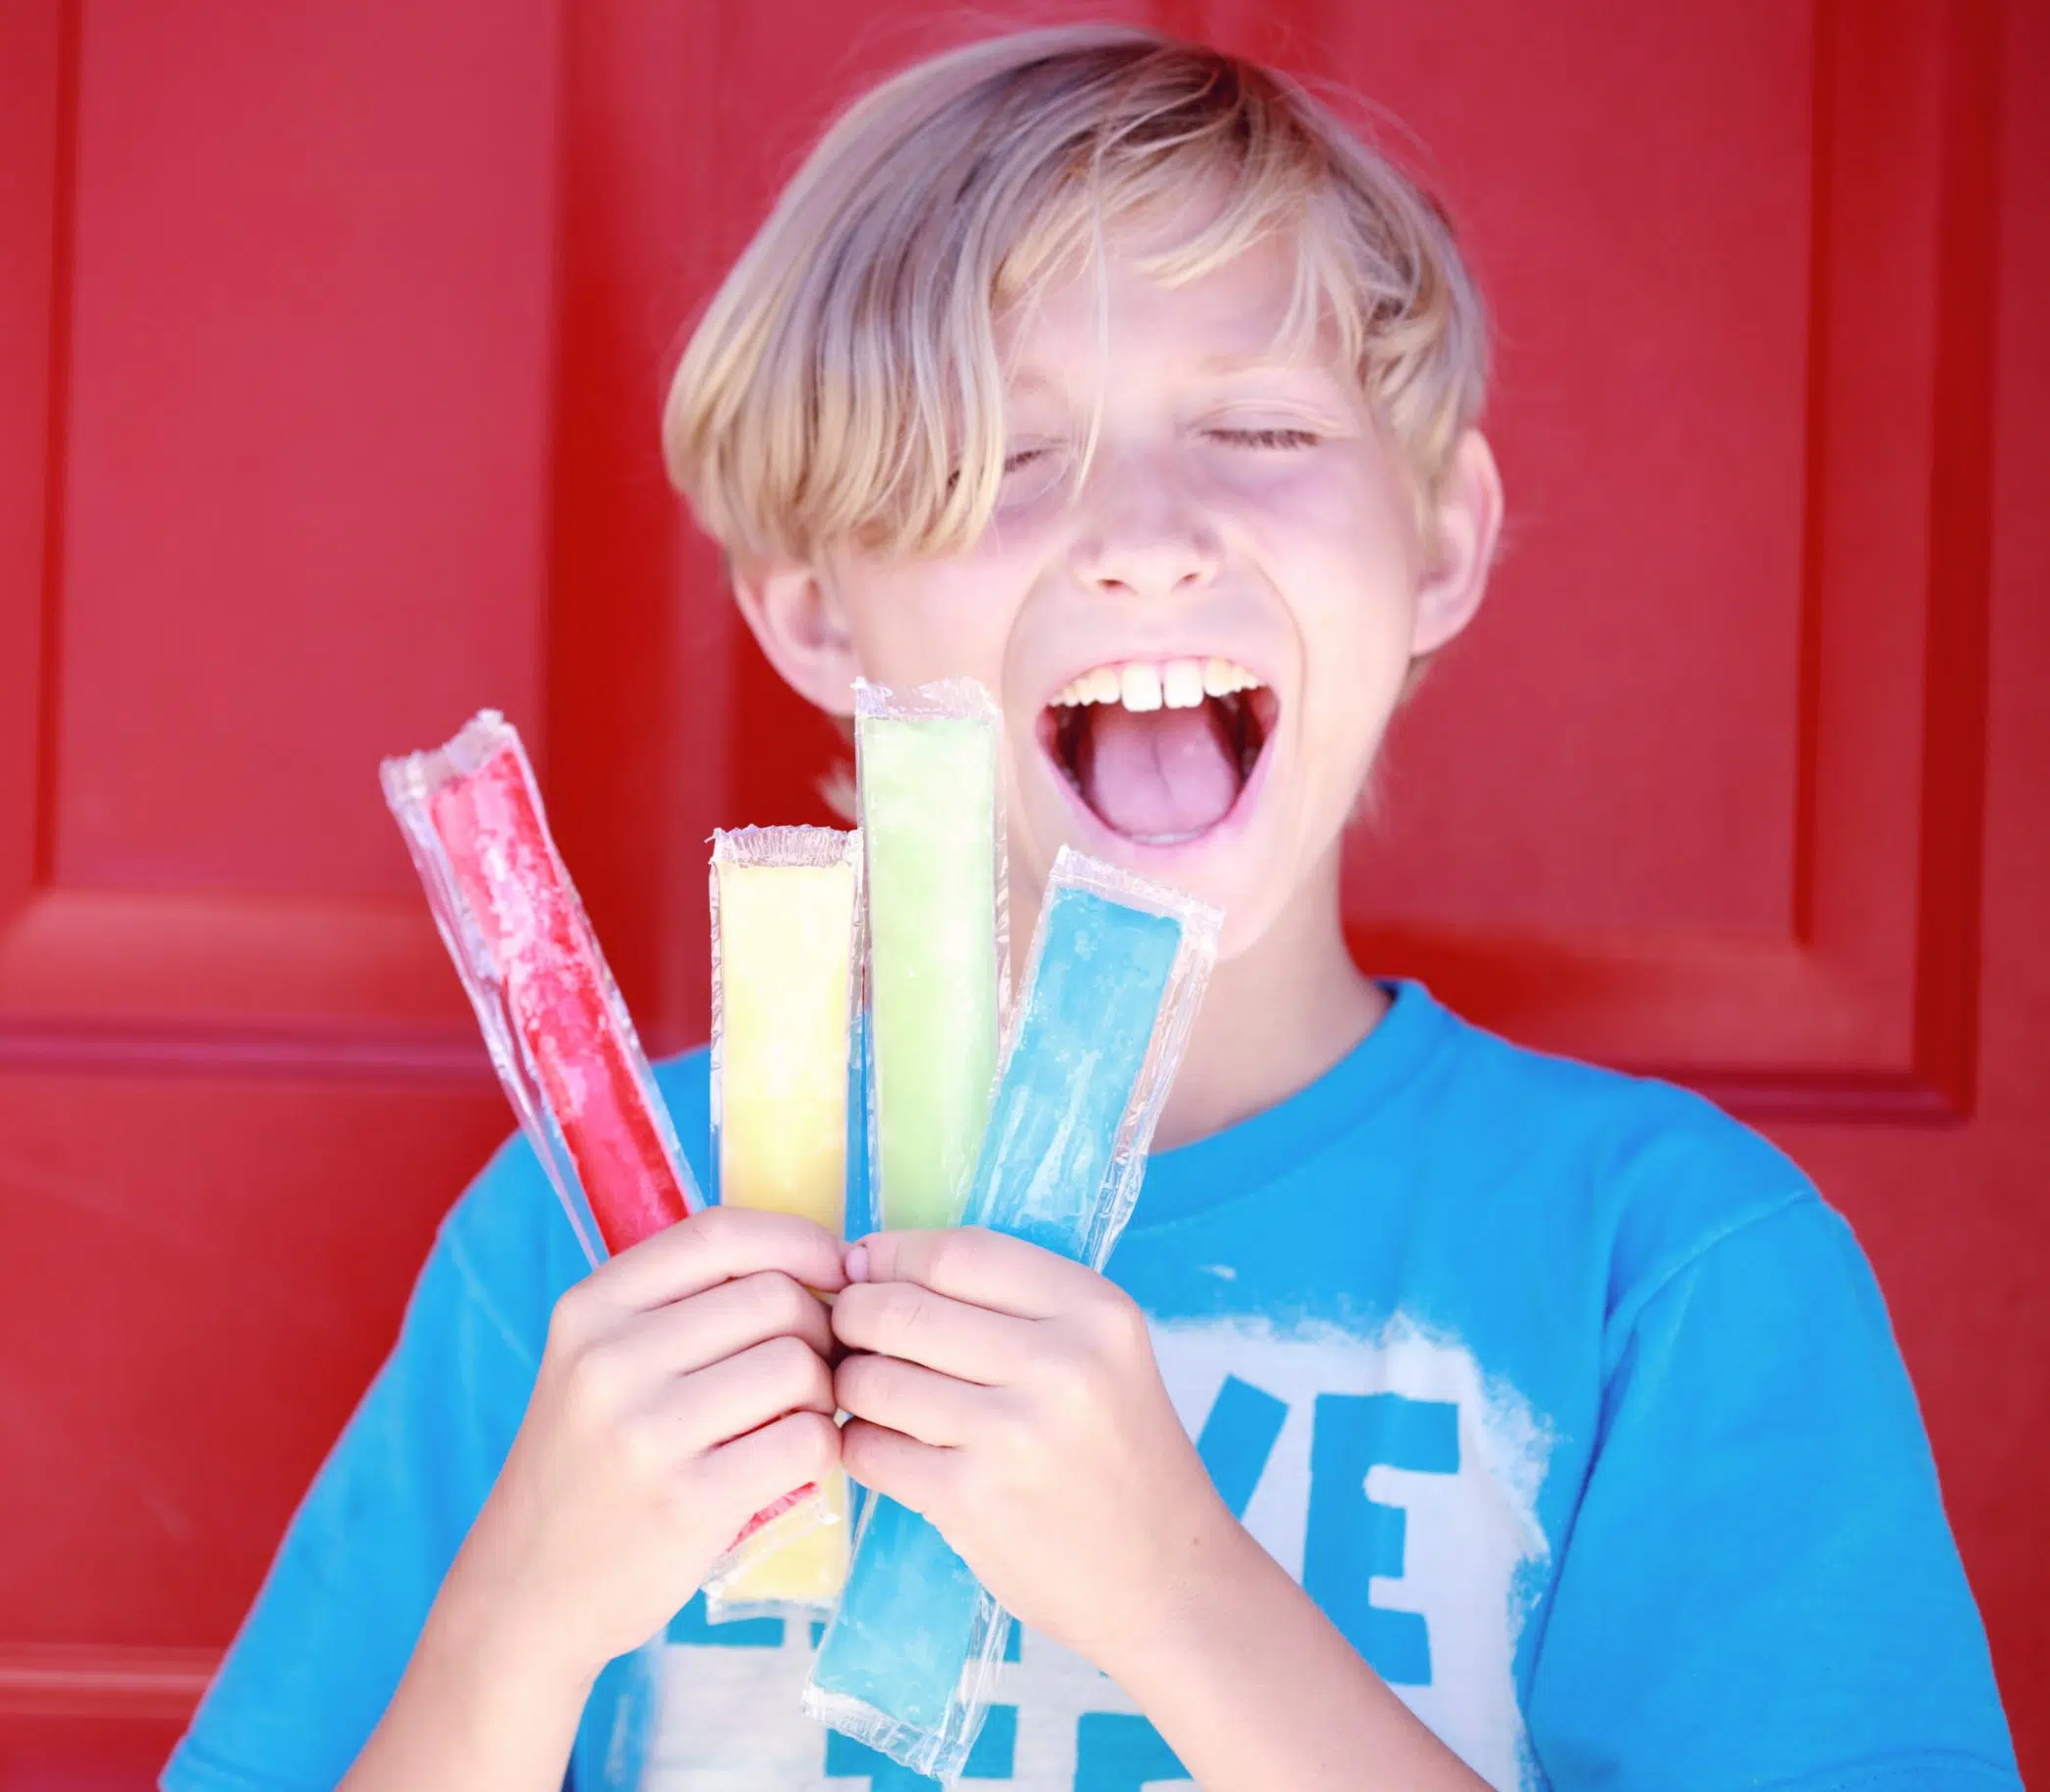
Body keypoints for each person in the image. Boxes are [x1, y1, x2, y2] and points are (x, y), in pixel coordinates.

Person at [162, 26, 2018, 1791]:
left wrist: (1179, 1598)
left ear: (1439, 541)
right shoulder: (588, 1248)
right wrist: (522, 1618)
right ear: (815, 612)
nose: (1143, 531)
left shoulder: (1664, 1263)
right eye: (1006, 460)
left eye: (1264, 433)